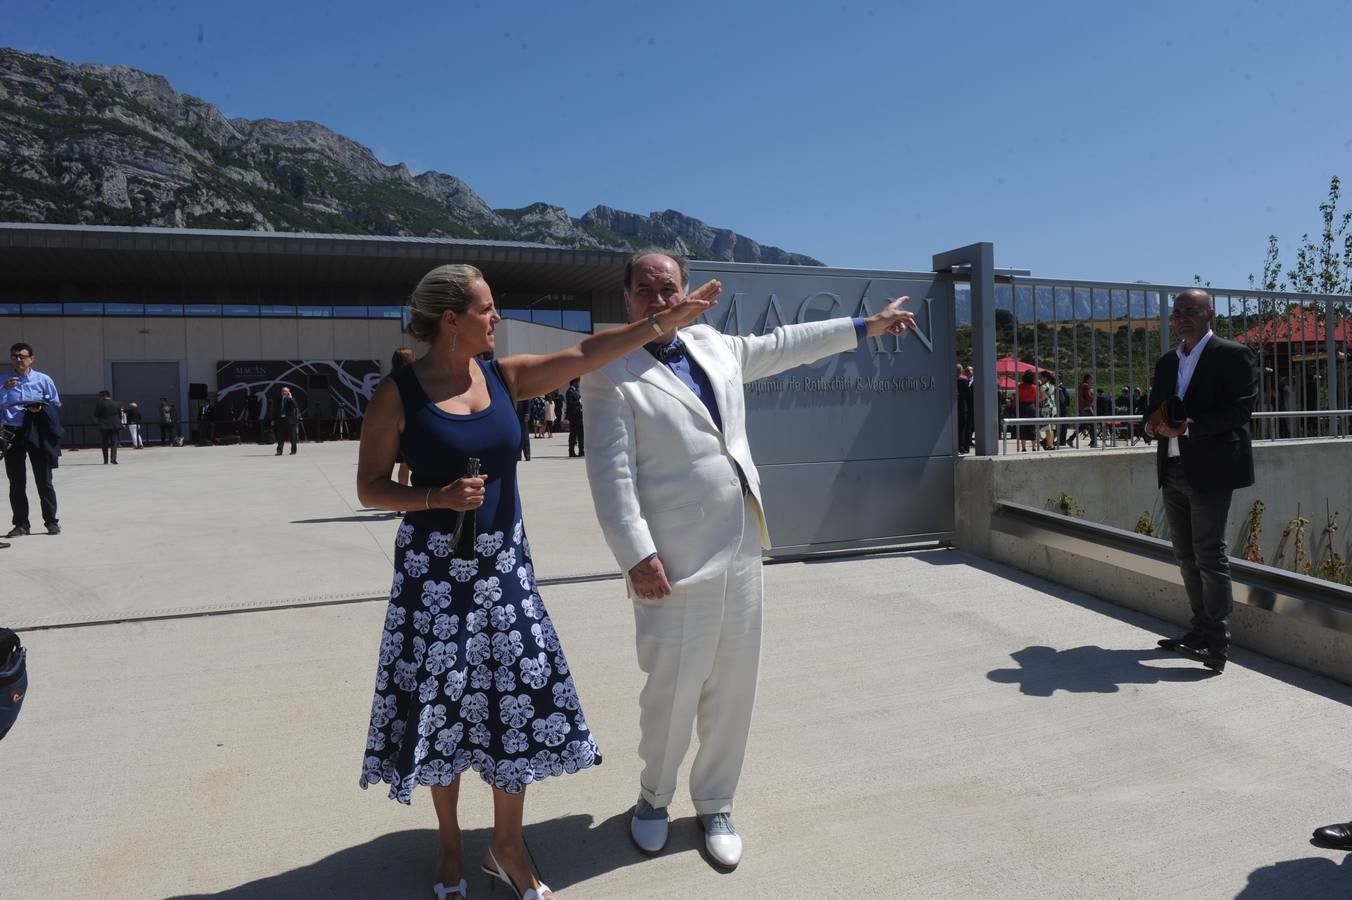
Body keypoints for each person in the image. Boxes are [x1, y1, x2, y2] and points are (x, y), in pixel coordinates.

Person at [354, 262, 717, 900]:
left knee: (513, 705)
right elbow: (370, 487)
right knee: (442, 710)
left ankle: (507, 847)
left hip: (505, 573)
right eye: (488, 309)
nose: (497, 318)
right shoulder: (398, 395)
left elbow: (585, 352)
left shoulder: (504, 378)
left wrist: (663, 321)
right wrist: (437, 496)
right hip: (433, 583)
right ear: (451, 321)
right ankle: (448, 846)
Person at [581, 250, 915, 870]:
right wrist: (636, 555)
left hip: (740, 549)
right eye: (646, 291)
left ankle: (715, 802)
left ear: (687, 293)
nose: (659, 301)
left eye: (668, 288)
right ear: (627, 300)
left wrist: (865, 327)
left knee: (734, 687)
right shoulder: (609, 370)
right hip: (672, 564)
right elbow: (610, 474)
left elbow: (787, 343)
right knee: (670, 693)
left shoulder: (713, 344)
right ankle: (652, 800)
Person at [1145, 288, 1258, 674]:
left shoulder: (1232, 355)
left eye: (1191, 310)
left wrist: (1190, 428)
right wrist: (1151, 424)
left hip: (1211, 470)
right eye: (1177, 312)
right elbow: (1153, 407)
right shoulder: (1166, 362)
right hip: (1172, 468)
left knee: (1210, 554)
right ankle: (1198, 630)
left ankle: (1217, 641)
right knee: (1185, 555)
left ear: (1210, 313)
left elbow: (1241, 410)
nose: (1182, 317)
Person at [3, 343, 62, 537]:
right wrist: (4, 389)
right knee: (16, 481)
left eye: (22, 356)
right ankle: (21, 524)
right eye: (14, 356)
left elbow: (55, 403)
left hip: (37, 430)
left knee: (44, 480)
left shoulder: (43, 380)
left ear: (31, 359)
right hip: (13, 432)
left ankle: (51, 521)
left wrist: (41, 407)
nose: (18, 359)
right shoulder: (4, 380)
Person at [391, 347, 417, 487]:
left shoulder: (391, 380)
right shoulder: (413, 379)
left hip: (394, 427)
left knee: (403, 464)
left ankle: (402, 496)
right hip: (410, 426)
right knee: (408, 464)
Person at [93, 390, 121, 464]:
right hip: (115, 425)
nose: (99, 397)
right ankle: (113, 459)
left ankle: (105, 460)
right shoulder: (116, 403)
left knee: (104, 443)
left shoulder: (100, 403)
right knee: (114, 442)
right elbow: (119, 415)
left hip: (104, 426)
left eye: (100, 395)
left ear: (104, 395)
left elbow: (96, 414)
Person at [1015, 370, 1038, 452]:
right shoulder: (1034, 387)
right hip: (1031, 406)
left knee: (1022, 427)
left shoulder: (1020, 386)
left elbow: (1017, 398)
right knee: (1032, 426)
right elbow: (1036, 398)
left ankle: (1023, 447)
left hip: (1022, 407)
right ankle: (1033, 447)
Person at [274, 387, 299, 456]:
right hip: (281, 421)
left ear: (289, 392)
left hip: (290, 421)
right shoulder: (279, 400)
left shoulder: (291, 399)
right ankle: (279, 451)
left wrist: (290, 397)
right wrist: (273, 419)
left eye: (285, 391)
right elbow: (275, 410)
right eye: (283, 391)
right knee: (280, 437)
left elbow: (296, 405)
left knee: (292, 437)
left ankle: (293, 451)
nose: (284, 392)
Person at [1037, 371, 1058, 450]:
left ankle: (1049, 445)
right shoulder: (1052, 385)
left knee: (1047, 428)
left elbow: (1041, 398)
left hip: (1046, 407)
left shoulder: (1043, 386)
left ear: (1045, 378)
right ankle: (1051, 444)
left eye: (1041, 377)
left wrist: (1037, 400)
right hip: (1053, 407)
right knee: (1051, 428)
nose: (1040, 379)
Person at [955, 364, 974, 454]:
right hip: (963, 407)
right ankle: (962, 447)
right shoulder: (963, 380)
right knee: (963, 428)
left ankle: (957, 446)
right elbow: (968, 395)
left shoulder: (951, 380)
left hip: (954, 408)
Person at [565, 378, 584, 458]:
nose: (578, 384)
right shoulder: (569, 391)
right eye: (577, 382)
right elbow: (570, 403)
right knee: (573, 434)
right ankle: (571, 451)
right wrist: (579, 402)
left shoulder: (576, 391)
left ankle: (581, 451)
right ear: (574, 382)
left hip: (579, 415)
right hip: (573, 416)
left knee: (581, 434)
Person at [1077, 373, 1097, 447]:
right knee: (1092, 424)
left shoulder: (1081, 386)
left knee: (1086, 424)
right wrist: (1094, 396)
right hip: (1087, 408)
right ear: (1088, 379)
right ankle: (1093, 442)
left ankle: (1093, 442)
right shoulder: (1086, 386)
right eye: (1091, 379)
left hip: (1081, 407)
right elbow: (1088, 397)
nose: (1092, 381)